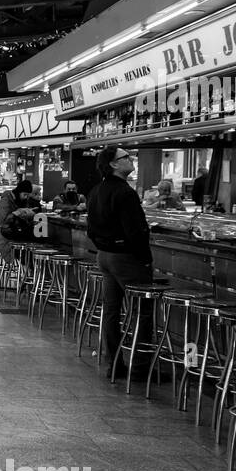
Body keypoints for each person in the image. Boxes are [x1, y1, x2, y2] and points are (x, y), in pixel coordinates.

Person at [86, 146, 154, 377]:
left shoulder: (96, 191)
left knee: (112, 311)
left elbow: (90, 230)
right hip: (126, 258)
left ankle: (114, 364)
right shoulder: (125, 193)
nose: (131, 158)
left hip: (104, 256)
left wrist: (104, 246)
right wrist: (144, 259)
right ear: (114, 164)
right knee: (141, 310)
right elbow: (135, 231)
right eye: (125, 157)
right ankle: (141, 367)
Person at [0, 179, 37, 263]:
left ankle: (30, 268)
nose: (26, 197)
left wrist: (28, 213)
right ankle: (27, 267)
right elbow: (3, 220)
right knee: (26, 250)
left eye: (28, 195)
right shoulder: (6, 199)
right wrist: (17, 213)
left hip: (17, 232)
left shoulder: (23, 200)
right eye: (24, 194)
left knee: (34, 242)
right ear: (19, 192)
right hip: (5, 233)